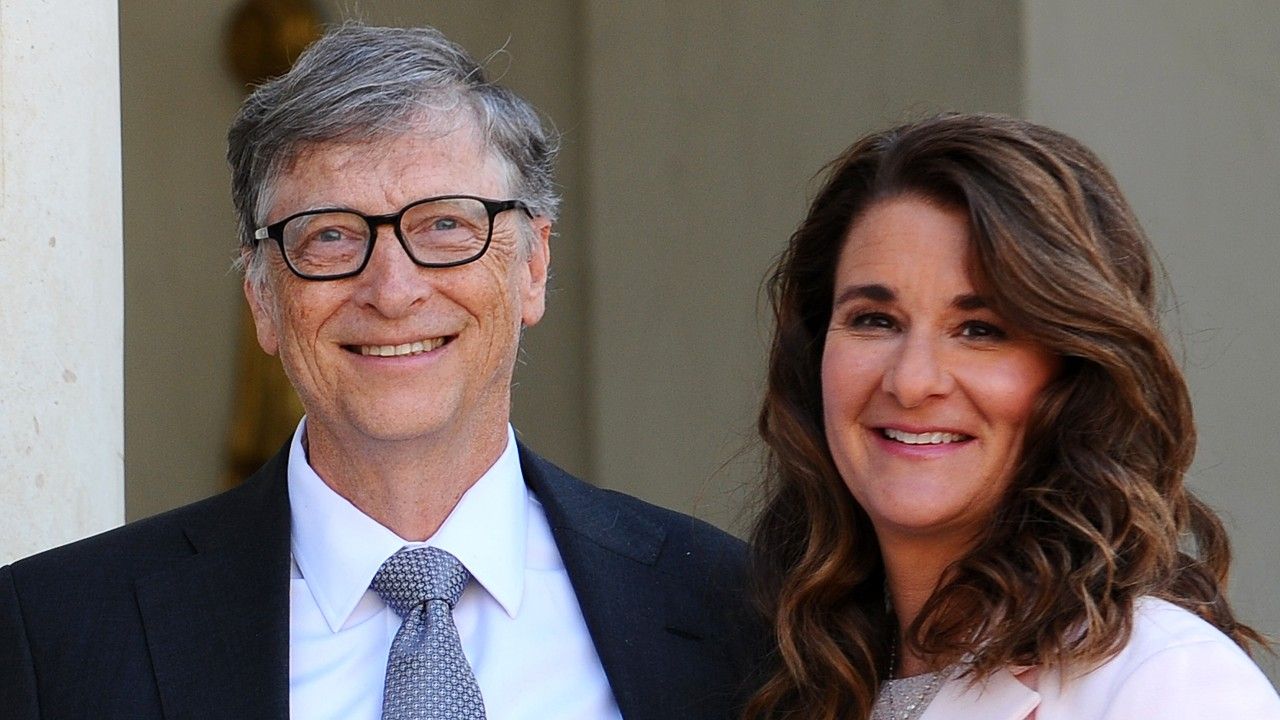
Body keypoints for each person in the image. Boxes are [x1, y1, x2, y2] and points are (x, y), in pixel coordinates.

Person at [0, 24, 760, 720]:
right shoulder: (57, 635)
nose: (393, 290)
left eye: (445, 225)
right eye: (329, 236)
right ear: (263, 298)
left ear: (533, 266)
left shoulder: (729, 609)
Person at [744, 113, 1280, 720]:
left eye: (981, 330)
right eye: (874, 320)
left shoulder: (1168, 685)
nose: (913, 381)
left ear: (1076, 372)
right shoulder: (787, 677)